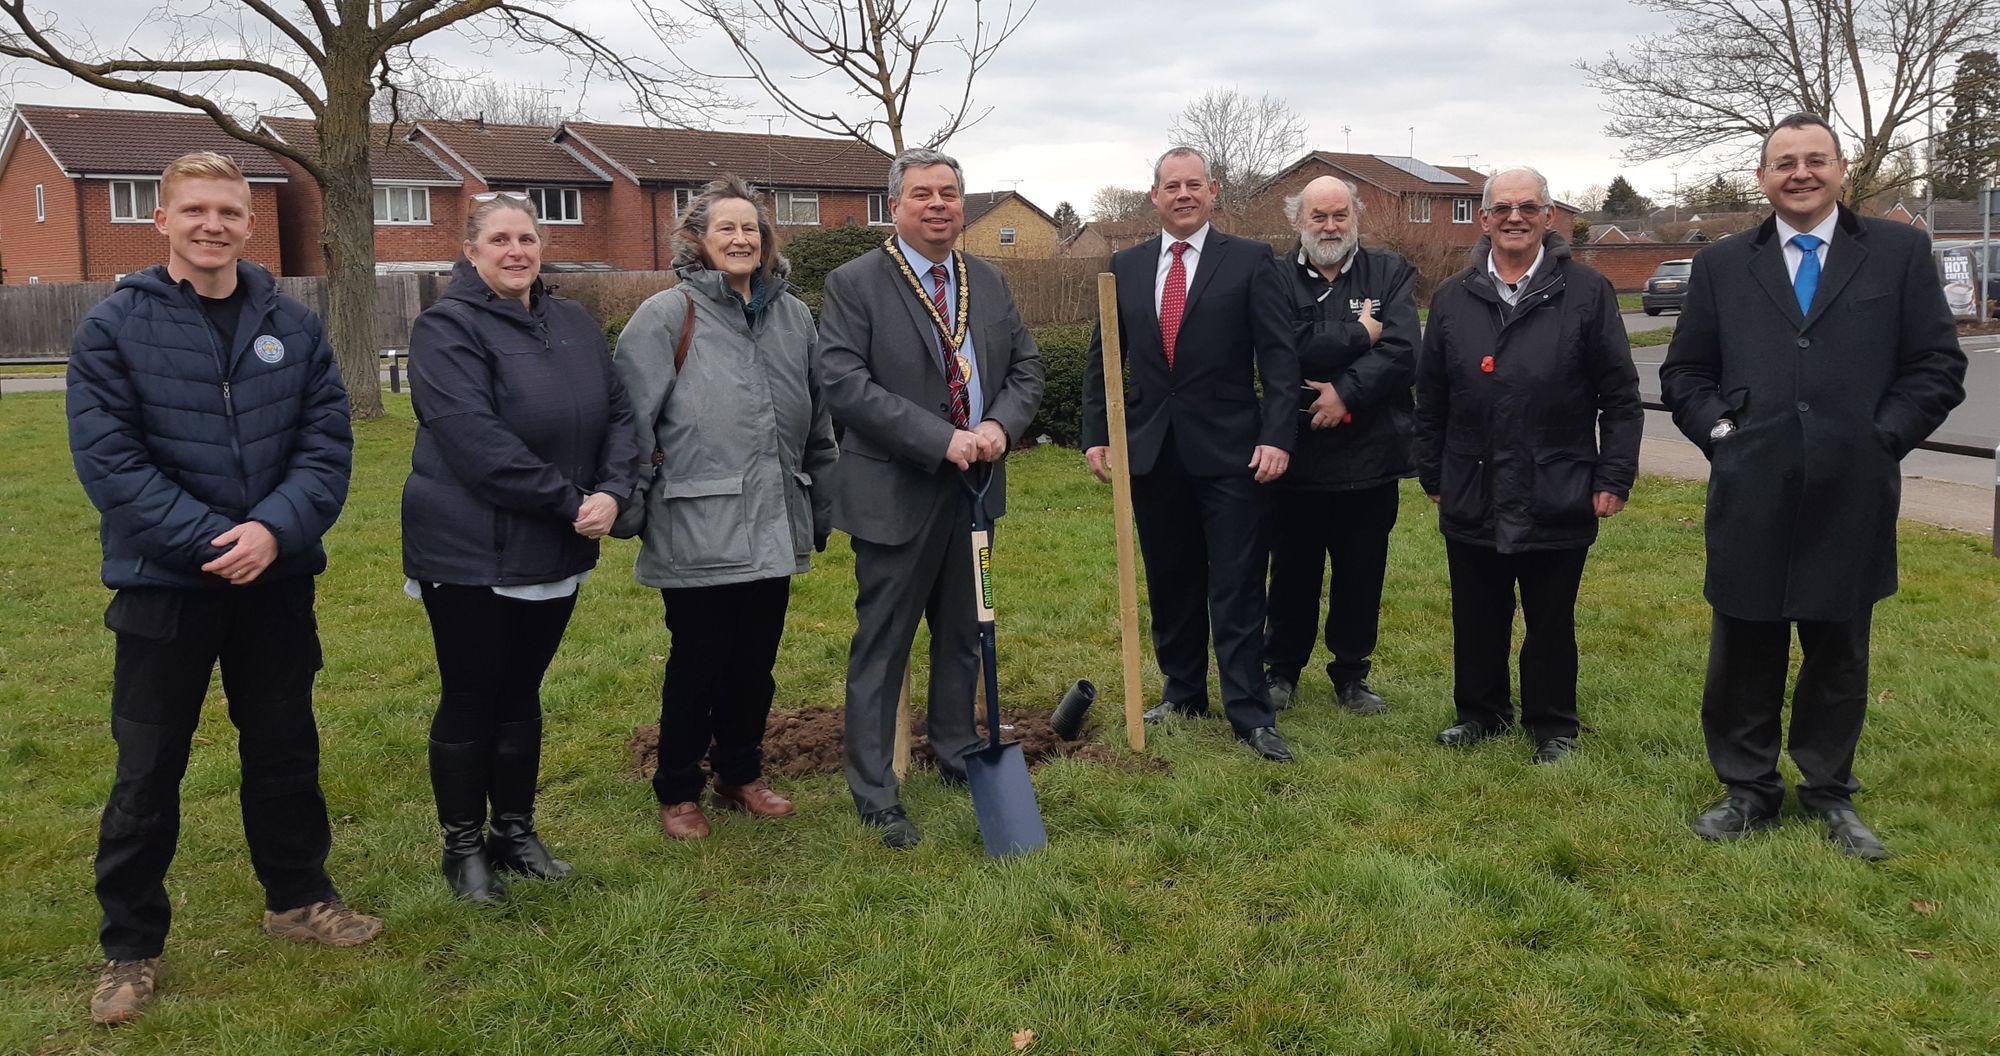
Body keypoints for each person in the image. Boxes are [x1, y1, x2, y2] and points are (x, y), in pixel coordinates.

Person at [67, 151, 378, 1026]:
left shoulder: (294, 326)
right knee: (147, 769)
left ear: (249, 224)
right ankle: (130, 946)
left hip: (274, 582)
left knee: (284, 749)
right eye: (196, 210)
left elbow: (326, 446)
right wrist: (215, 542)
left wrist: (273, 530)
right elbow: (111, 463)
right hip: (163, 587)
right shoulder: (113, 329)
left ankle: (299, 898)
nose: (213, 225)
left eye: (230, 212)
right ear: (162, 220)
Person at [1660, 113, 1966, 859]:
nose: (1800, 173)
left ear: (1841, 169)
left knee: (1838, 650)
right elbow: (1685, 371)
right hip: (1752, 488)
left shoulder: (1897, 252)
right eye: (1785, 162)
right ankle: (1748, 789)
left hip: (1852, 490)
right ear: (1762, 177)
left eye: (1815, 160)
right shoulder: (1722, 264)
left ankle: (1830, 792)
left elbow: (1936, 365)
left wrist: (1881, 436)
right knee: (1744, 646)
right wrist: (1721, 436)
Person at [402, 193, 641, 900]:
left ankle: (514, 832)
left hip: (556, 543)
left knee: (521, 691)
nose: (517, 251)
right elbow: (475, 442)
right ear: (471, 251)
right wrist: (573, 502)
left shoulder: (572, 321)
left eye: (528, 239)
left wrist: (613, 491)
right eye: (501, 240)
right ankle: (463, 848)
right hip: (468, 549)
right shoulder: (446, 328)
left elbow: (620, 412)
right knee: (472, 693)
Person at [819, 148, 1045, 848]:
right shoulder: (855, 283)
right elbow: (844, 383)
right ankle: (875, 791)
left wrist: (998, 425)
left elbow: (1026, 368)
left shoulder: (987, 280)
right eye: (922, 194)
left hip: (975, 490)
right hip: (896, 491)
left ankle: (954, 748)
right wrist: (938, 438)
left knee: (964, 632)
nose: (938, 204)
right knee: (882, 644)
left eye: (949, 192)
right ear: (896, 206)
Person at [611, 176, 837, 841]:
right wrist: (628, 508)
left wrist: (822, 504)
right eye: (726, 229)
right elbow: (630, 424)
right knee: (698, 666)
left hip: (775, 519)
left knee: (754, 666)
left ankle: (740, 774)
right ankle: (678, 788)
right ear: (697, 240)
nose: (741, 239)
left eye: (750, 228)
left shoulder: (794, 318)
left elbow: (819, 422)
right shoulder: (665, 316)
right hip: (696, 524)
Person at [1413, 166, 1641, 765]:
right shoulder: (1452, 297)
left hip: (1558, 482)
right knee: (1477, 612)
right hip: (1473, 482)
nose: (1515, 217)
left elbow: (1620, 396)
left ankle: (1553, 724)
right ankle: (1479, 713)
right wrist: (1433, 473)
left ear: (1548, 216)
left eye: (1528, 207)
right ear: (1484, 220)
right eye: (1503, 208)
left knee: (1550, 617)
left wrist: (1614, 475)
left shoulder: (1587, 291)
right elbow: (1431, 397)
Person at [1080, 146, 1301, 762]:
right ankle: (1182, 692)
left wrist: (1278, 435)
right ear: (1154, 196)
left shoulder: (1251, 260)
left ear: (1213, 192)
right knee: (1171, 579)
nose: (1183, 195)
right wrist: (1097, 432)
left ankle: (1249, 711)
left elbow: (1279, 358)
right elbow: (1105, 357)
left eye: (1193, 185)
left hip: (1234, 453)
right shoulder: (1125, 266)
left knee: (1236, 584)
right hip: (1153, 451)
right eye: (1171, 186)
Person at [1263, 176, 1419, 716]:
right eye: (1318, 216)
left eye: (1339, 215)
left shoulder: (1390, 271)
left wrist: (1344, 393)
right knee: (1292, 572)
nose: (1330, 227)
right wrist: (1359, 336)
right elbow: (1277, 347)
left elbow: (1403, 350)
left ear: (1356, 217)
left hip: (1371, 454)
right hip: (1296, 457)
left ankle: (1352, 674)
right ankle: (1281, 670)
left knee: (1361, 571)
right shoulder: (1273, 277)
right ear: (1297, 221)